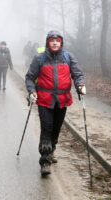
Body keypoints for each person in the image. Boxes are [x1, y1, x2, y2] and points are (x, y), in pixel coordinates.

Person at [25, 30, 86, 176]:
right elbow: (29, 77)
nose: (54, 42)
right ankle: (45, 161)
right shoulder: (40, 58)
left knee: (56, 129)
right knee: (47, 128)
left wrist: (80, 86)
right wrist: (32, 91)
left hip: (62, 100)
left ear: (61, 43)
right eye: (52, 40)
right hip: (45, 100)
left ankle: (51, 150)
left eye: (57, 40)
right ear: (47, 42)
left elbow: (77, 74)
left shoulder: (68, 57)